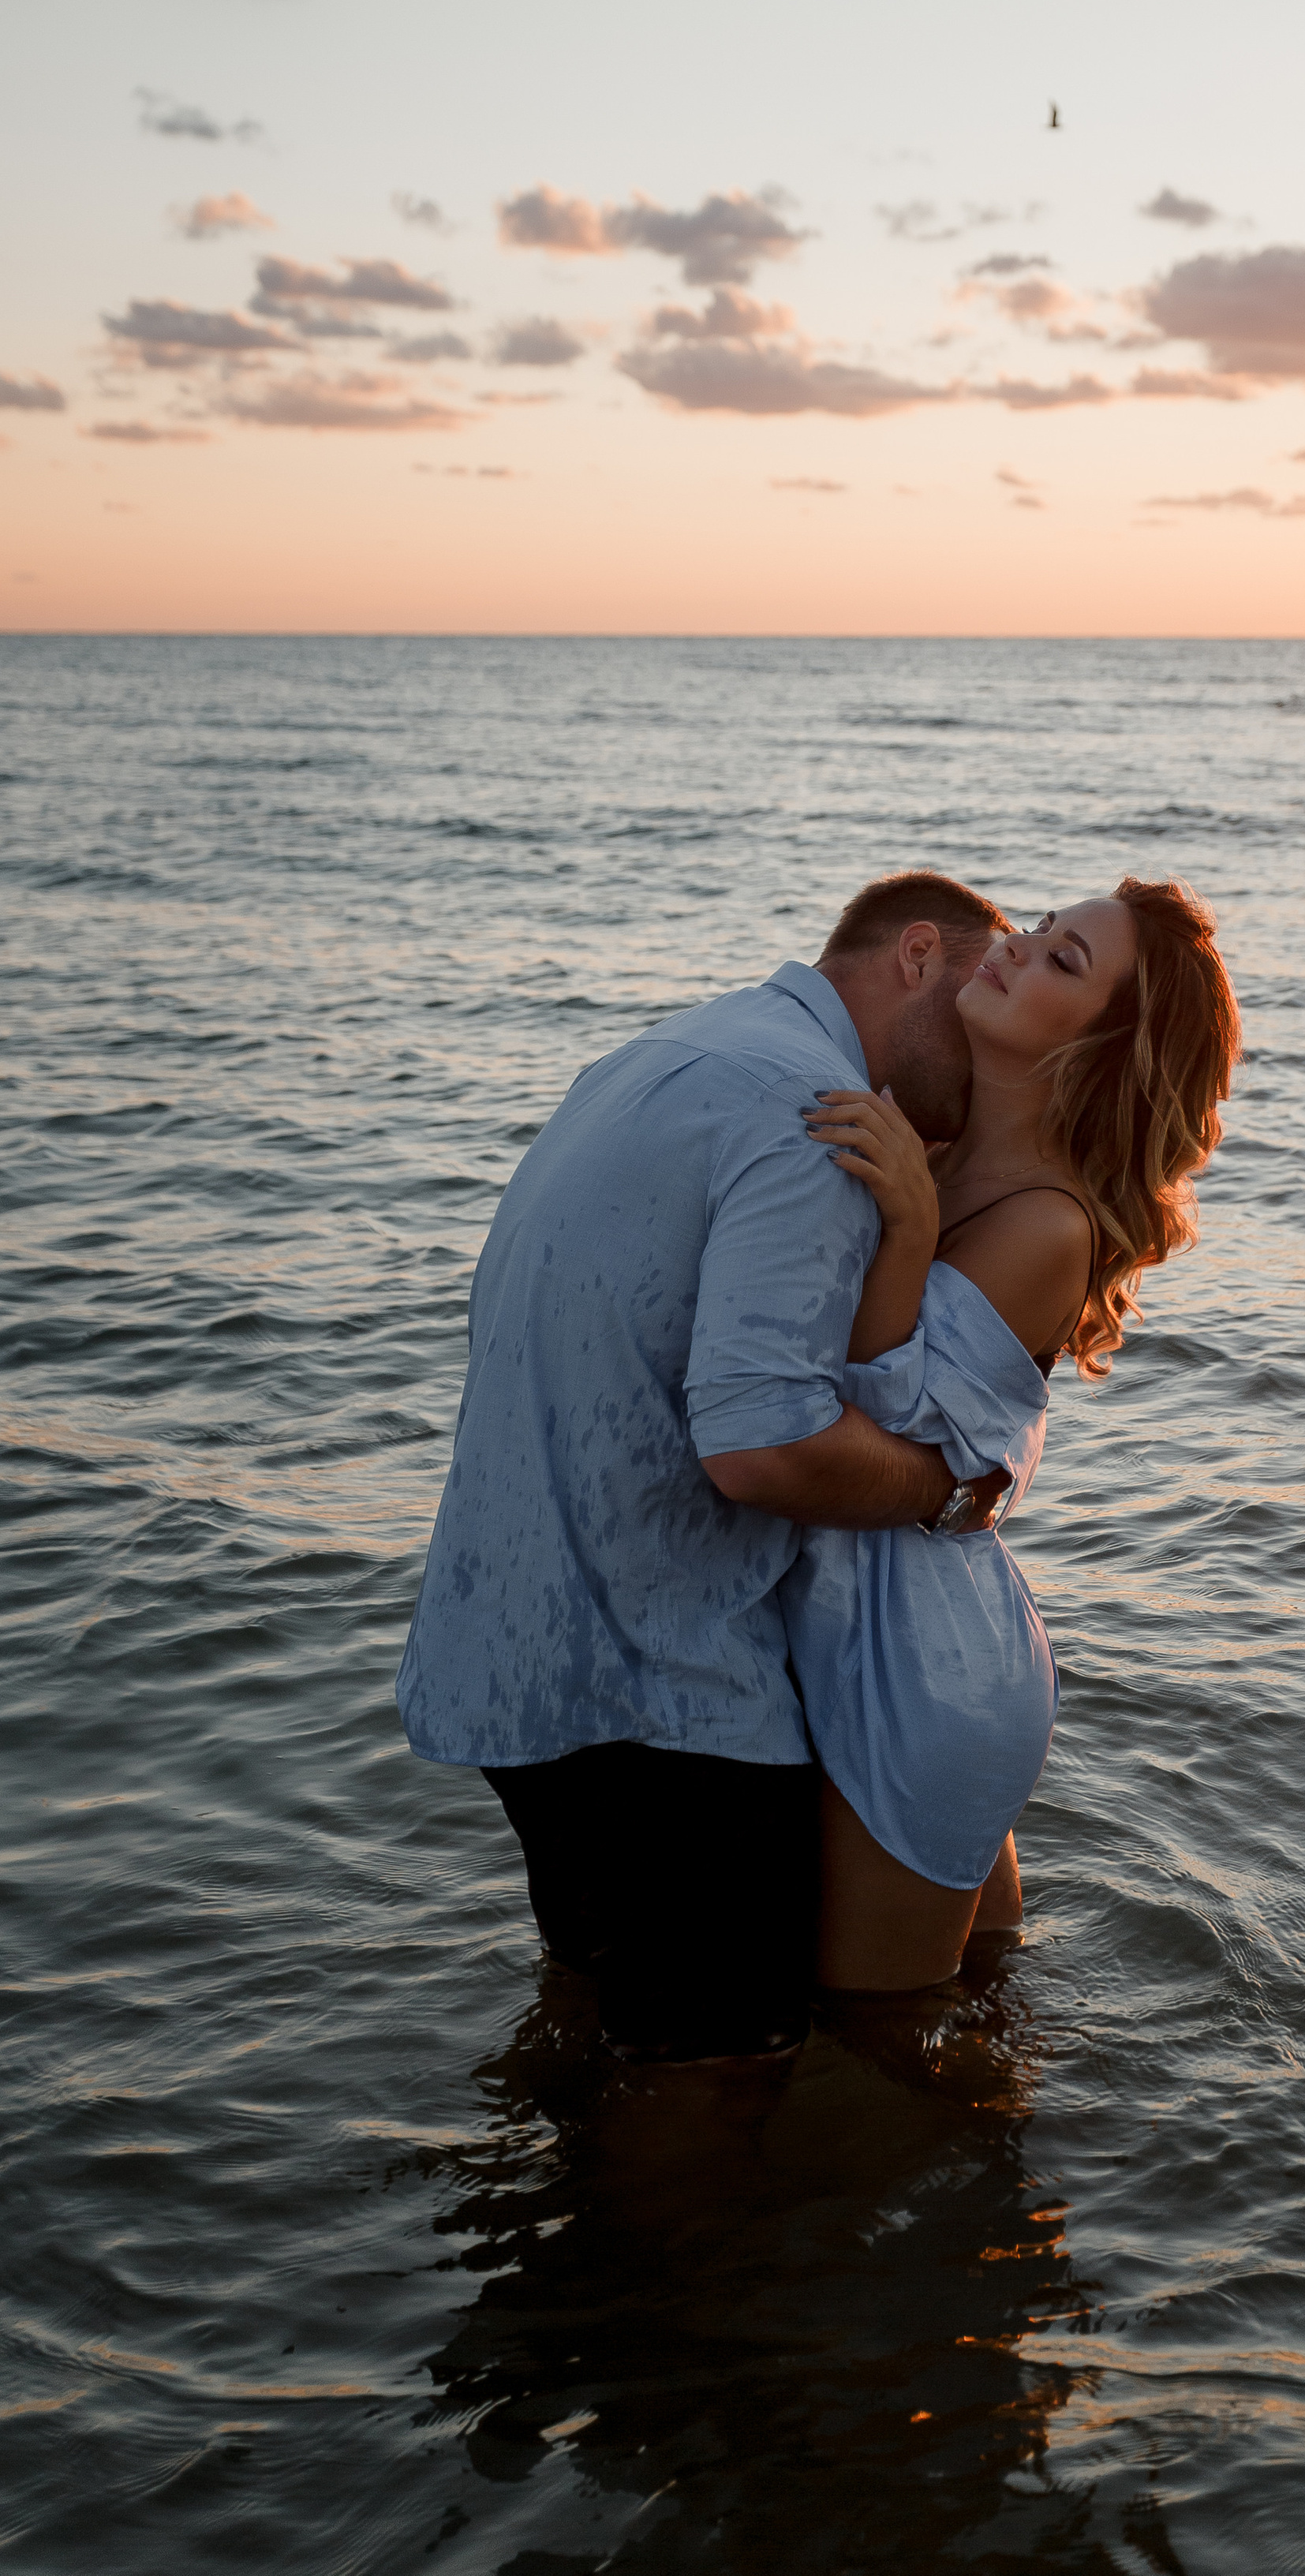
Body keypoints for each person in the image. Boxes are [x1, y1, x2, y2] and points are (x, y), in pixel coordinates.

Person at [394, 871, 1013, 2064]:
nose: (987, 1052)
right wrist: (943, 1493)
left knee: (594, 2038)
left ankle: (548, 2239)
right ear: (919, 954)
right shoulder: (816, 1114)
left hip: (511, 1662)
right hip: (658, 1704)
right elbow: (760, 1448)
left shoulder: (673, 1049)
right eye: (984, 991)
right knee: (722, 2091)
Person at [786, 877, 1240, 1995]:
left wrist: (909, 1226)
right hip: (873, 1626)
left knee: (880, 2045)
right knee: (982, 2001)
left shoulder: (1046, 1222)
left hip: (921, 1670)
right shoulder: (935, 1140)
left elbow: (881, 1418)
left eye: (1064, 963)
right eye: (1043, 926)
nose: (1016, 947)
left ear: (1101, 1050)